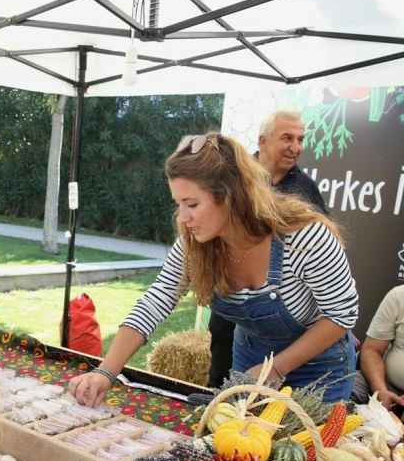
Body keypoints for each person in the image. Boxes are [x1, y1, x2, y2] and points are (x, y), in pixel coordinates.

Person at [69, 132, 358, 407]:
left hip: (319, 369)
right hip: (251, 358)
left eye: (192, 203)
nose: (183, 216)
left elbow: (341, 315)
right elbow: (158, 298)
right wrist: (106, 371)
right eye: (178, 203)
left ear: (230, 196)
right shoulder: (194, 242)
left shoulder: (305, 237)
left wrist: (276, 369)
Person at [207, 109, 330, 388]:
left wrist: (334, 315)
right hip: (231, 306)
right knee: (220, 379)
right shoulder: (233, 178)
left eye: (300, 139)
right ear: (263, 140)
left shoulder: (305, 190)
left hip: (280, 316)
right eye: (287, 138)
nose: (295, 147)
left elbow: (326, 256)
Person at [351, 285, 404, 418]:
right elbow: (372, 350)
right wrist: (380, 390)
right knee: (339, 391)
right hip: (386, 383)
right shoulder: (399, 296)